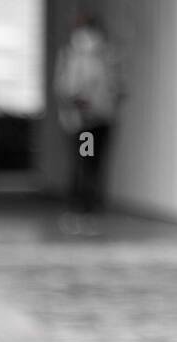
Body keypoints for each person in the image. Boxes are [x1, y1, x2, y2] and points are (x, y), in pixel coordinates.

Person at [54, 14, 122, 234]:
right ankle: (78, 210)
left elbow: (116, 86)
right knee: (83, 163)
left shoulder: (108, 56)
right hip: (84, 123)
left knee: (95, 165)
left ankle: (90, 210)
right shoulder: (73, 57)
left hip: (103, 120)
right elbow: (66, 88)